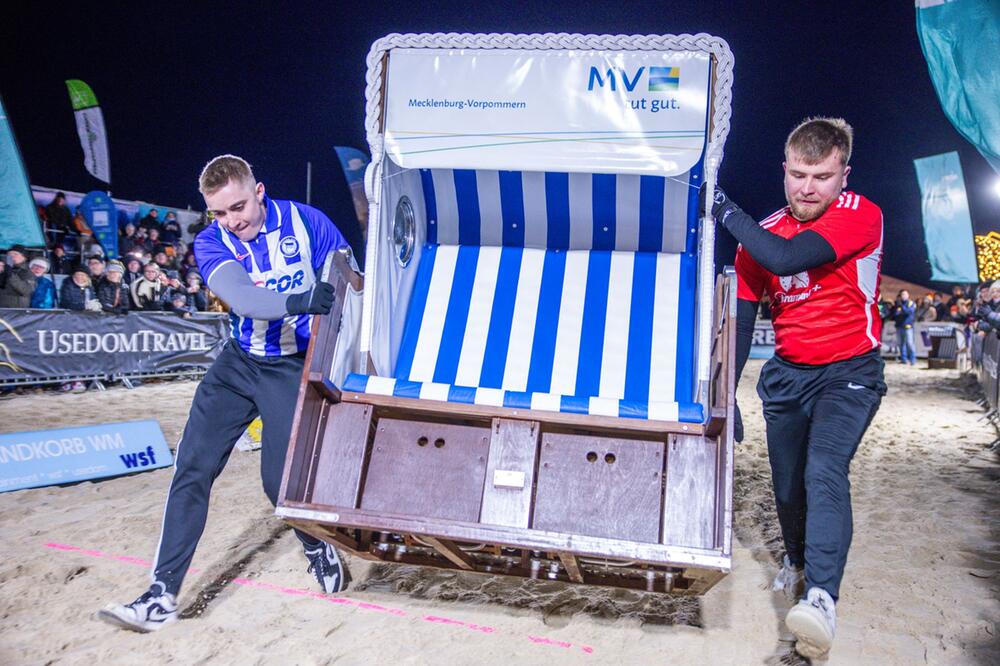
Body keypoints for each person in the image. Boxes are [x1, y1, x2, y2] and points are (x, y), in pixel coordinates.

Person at [100, 154, 351, 633]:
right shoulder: (212, 241)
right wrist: (300, 299)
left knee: (279, 483)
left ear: (259, 191)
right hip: (238, 363)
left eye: (238, 207)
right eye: (220, 212)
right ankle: (162, 594)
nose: (232, 221)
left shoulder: (308, 222)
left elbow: (352, 286)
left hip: (292, 367)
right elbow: (245, 299)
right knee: (191, 466)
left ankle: (316, 544)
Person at [703, 117, 885, 660]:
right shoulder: (763, 232)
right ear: (784, 171)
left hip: (849, 372)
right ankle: (799, 559)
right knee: (786, 488)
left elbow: (784, 259)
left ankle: (823, 596)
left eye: (822, 177)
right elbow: (739, 317)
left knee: (823, 468)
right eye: (799, 175)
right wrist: (726, 393)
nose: (808, 188)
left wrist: (723, 208)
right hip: (786, 374)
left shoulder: (861, 214)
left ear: (843, 176)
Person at [892, 290, 917, 365]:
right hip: (899, 326)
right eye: (902, 294)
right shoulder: (898, 304)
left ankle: (913, 359)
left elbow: (908, 312)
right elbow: (895, 314)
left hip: (908, 326)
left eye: (905, 294)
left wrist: (902, 308)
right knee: (900, 343)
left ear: (908, 295)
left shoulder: (911, 303)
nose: (903, 296)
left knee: (909, 343)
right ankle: (904, 359)